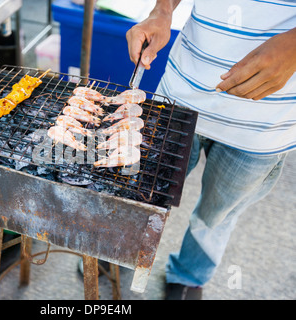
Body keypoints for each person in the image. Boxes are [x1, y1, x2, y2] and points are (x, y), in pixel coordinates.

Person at [126, 0, 296, 300]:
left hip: (264, 125)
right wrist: (163, 10)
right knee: (142, 192)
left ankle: (189, 276)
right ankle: (119, 252)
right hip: (180, 94)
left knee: (217, 214)